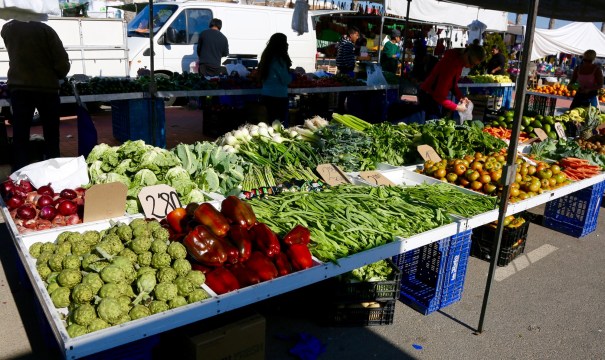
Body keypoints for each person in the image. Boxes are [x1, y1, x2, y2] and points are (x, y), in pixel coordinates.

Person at [1, 19, 70, 172]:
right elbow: (61, 63)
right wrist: (60, 71)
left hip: (19, 88)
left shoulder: (9, 28)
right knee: (51, 133)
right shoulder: (46, 30)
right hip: (46, 88)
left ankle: (20, 171)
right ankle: (53, 167)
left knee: (20, 133)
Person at [418, 43, 486, 121]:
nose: (471, 67)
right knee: (432, 124)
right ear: (466, 54)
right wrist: (458, 107)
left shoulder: (460, 61)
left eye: (474, 65)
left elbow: (453, 85)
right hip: (429, 96)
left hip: (434, 96)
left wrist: (461, 98)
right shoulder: (451, 64)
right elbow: (439, 96)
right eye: (471, 63)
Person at [258, 33, 292, 126]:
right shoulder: (279, 60)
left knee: (271, 123)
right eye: (286, 42)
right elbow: (285, 80)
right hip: (278, 96)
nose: (287, 44)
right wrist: (291, 77)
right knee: (280, 125)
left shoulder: (267, 57)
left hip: (267, 94)